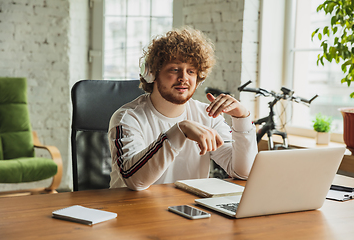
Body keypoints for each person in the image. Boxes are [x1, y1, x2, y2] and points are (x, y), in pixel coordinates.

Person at [108, 26, 258, 190]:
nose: (184, 78)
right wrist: (180, 130)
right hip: (133, 211)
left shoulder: (207, 116)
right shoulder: (128, 118)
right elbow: (135, 181)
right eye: (175, 69)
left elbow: (243, 173)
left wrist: (242, 118)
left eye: (191, 71)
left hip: (188, 210)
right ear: (151, 73)